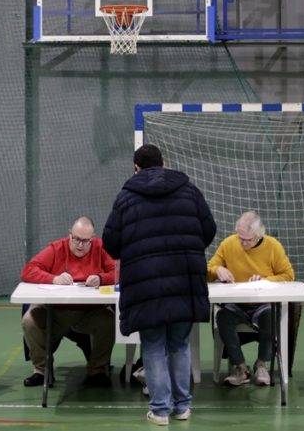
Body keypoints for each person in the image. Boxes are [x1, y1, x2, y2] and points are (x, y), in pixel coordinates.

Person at [103, 144, 216, 426]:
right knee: (179, 343)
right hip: (184, 280)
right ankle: (182, 406)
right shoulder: (189, 191)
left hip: (145, 285)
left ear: (136, 168)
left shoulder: (126, 198)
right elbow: (209, 229)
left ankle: (160, 410)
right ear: (163, 163)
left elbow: (111, 244)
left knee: (153, 345)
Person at [21, 216, 116, 388]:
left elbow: (118, 272)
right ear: (70, 234)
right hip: (55, 313)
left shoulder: (100, 248)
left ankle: (97, 370)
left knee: (109, 320)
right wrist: (53, 279)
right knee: (29, 320)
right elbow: (28, 270)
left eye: (85, 241)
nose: (80, 245)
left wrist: (102, 278)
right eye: (76, 239)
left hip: (89, 313)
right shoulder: (57, 248)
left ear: (93, 238)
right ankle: (42, 371)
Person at [207, 211, 295, 387]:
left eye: (248, 240)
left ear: (259, 235)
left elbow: (288, 275)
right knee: (222, 317)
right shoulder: (228, 243)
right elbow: (210, 268)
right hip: (236, 304)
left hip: (262, 304)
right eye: (240, 238)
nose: (243, 243)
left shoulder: (273, 246)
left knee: (270, 317)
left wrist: (264, 280)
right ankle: (241, 368)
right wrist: (217, 270)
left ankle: (261, 365)